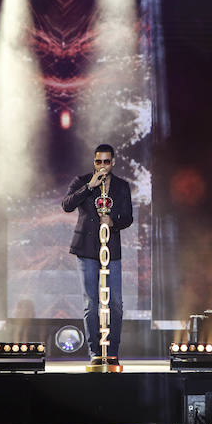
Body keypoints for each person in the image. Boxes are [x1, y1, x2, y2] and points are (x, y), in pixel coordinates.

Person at [62, 144, 134, 366]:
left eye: (106, 161)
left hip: (110, 249)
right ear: (94, 162)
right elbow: (66, 205)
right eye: (98, 162)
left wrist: (113, 223)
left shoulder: (122, 186)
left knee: (115, 303)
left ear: (113, 162)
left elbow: (128, 217)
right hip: (86, 249)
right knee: (91, 303)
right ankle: (95, 353)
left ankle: (111, 352)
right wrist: (89, 187)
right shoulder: (82, 181)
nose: (102, 166)